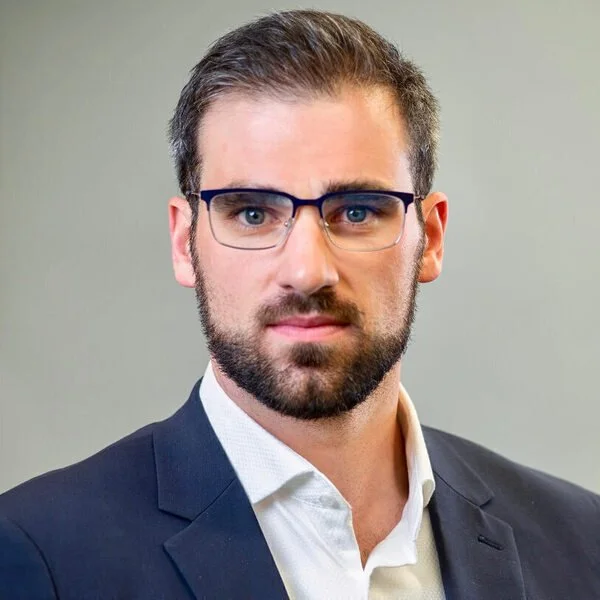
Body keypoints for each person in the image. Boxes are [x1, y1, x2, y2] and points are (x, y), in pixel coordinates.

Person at [1, 9, 598, 600]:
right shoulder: (41, 556)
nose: (308, 271)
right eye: (252, 213)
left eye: (357, 211)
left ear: (431, 239)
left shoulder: (583, 543)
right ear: (185, 243)